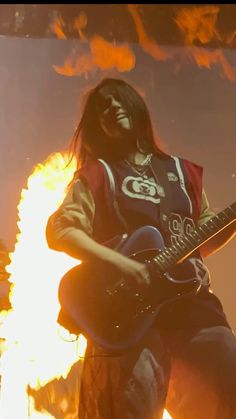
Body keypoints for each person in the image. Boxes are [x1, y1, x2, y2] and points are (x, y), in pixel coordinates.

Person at [46, 78, 236, 419]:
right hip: (127, 319)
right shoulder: (97, 174)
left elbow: (203, 237)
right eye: (103, 107)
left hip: (195, 310)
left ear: (137, 107)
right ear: (96, 125)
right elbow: (62, 229)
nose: (113, 107)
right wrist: (123, 266)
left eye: (119, 100)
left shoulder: (183, 172)